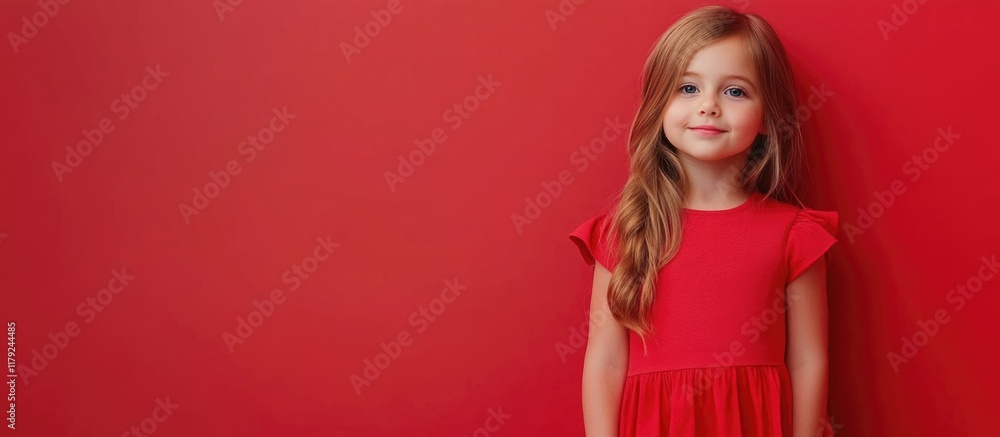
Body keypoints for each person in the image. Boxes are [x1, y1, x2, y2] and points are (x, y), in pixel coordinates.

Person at [567, 5, 839, 437]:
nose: (708, 106)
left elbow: (808, 360)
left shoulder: (795, 235)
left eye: (735, 91)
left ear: (769, 116)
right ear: (659, 104)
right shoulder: (624, 232)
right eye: (688, 88)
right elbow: (605, 360)